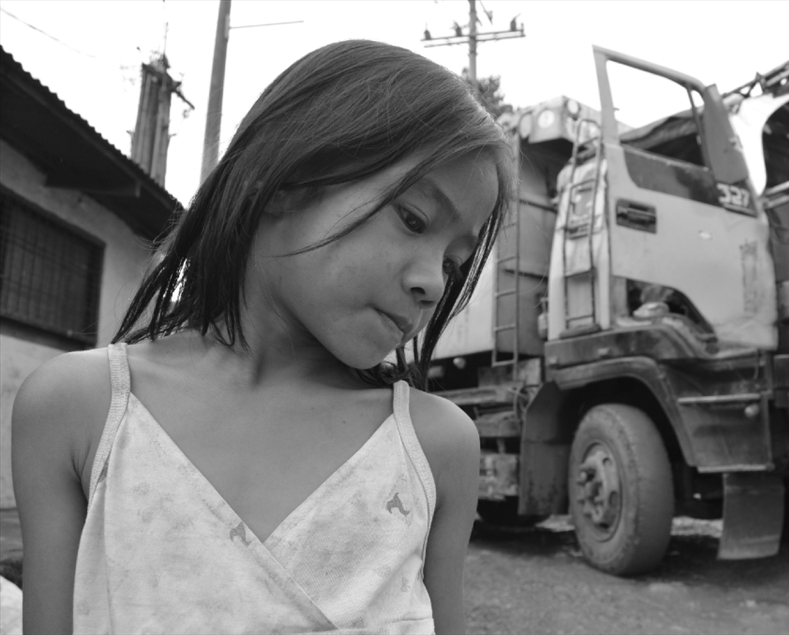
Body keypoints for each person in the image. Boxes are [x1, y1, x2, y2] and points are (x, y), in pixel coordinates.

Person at [12, 39, 515, 634]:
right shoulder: (81, 409)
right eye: (412, 218)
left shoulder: (433, 448)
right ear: (285, 181)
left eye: (454, 263)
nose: (433, 282)